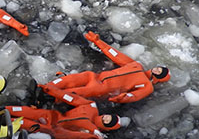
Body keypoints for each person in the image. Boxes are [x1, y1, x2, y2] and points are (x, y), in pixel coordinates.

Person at [38, 31, 170, 106]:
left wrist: (122, 98)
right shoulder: (136, 66)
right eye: (159, 68)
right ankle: (47, 86)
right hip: (97, 77)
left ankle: (49, 97)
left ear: (160, 78)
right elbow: (115, 55)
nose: (157, 70)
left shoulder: (147, 86)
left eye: (160, 72)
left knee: (77, 92)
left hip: (103, 88)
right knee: (73, 79)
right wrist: (97, 42)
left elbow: (134, 96)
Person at [7, 102, 121, 139]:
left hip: (54, 129)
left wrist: (94, 134)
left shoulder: (90, 135)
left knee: (25, 123)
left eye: (108, 122)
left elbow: (74, 135)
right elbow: (73, 98)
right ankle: (5, 109)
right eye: (109, 117)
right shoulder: (91, 108)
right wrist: (52, 90)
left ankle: (5, 121)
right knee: (28, 111)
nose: (106, 118)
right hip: (55, 115)